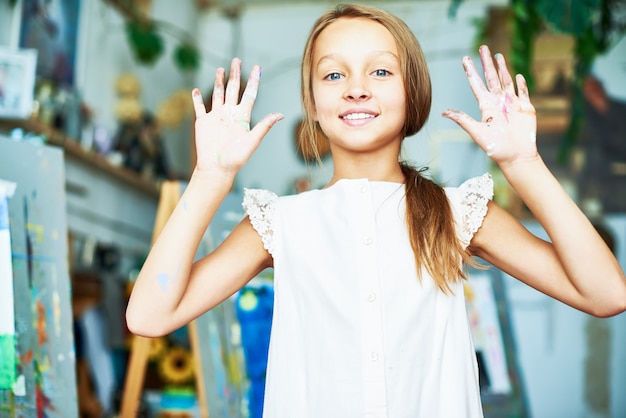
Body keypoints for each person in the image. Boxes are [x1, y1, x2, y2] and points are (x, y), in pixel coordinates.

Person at [126, 4, 626, 417]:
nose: (356, 87)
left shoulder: (460, 214)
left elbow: (605, 294)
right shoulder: (281, 223)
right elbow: (149, 315)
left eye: (381, 71)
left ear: (414, 94)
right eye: (334, 73)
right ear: (314, 102)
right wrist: (210, 178)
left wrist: (525, 164)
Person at [577, 74, 626, 213]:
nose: (593, 93)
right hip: (604, 180)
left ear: (602, 88)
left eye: (595, 88)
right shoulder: (588, 117)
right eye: (588, 91)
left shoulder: (621, 109)